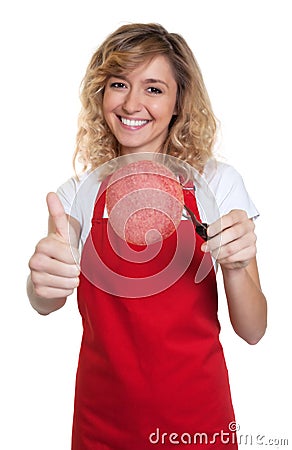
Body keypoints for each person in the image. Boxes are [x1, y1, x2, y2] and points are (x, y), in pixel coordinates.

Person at [27, 23, 267, 449]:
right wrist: (39, 283)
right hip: (103, 422)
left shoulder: (216, 184)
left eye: (154, 88)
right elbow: (48, 298)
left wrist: (234, 267)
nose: (132, 103)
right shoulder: (78, 193)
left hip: (197, 420)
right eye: (119, 84)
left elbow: (253, 329)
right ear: (102, 94)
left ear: (179, 101)